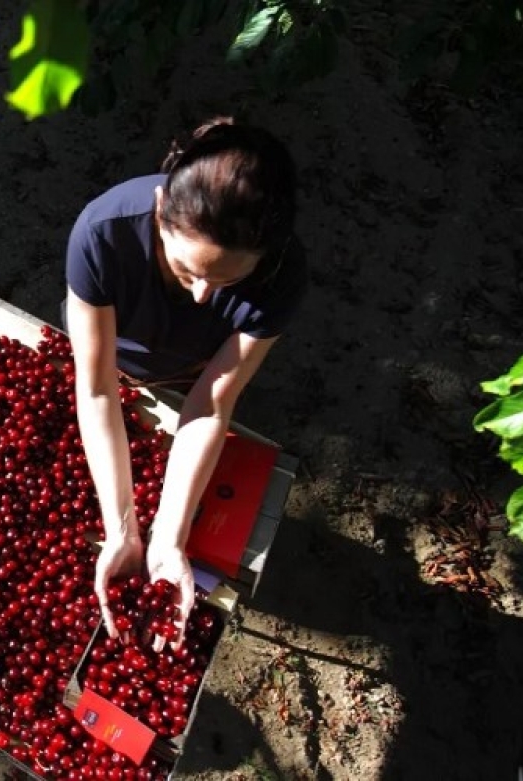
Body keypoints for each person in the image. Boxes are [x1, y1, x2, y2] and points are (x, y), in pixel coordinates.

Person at [63, 117, 306, 652]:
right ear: (158, 213)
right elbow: (99, 388)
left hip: (194, 368)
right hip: (116, 354)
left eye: (226, 281)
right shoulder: (102, 232)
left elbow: (211, 403)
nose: (202, 296)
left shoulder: (284, 277)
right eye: (186, 269)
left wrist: (168, 539)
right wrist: (122, 529)